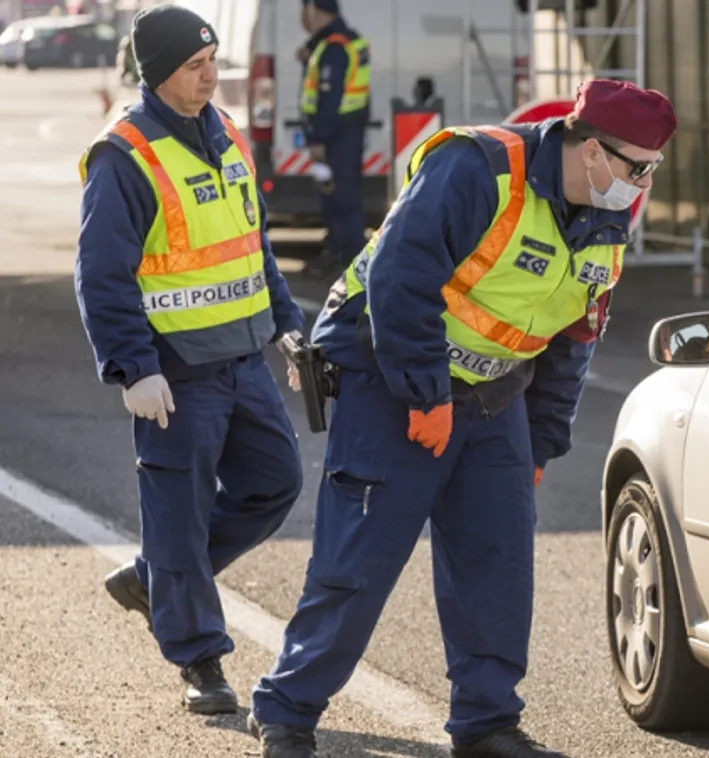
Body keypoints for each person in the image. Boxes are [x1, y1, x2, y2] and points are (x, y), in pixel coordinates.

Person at [247, 78, 676, 758]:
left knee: (497, 564)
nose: (643, 184)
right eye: (638, 168)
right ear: (592, 150)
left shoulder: (603, 217)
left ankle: (486, 725)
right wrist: (425, 397)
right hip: (388, 381)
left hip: (493, 396)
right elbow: (399, 278)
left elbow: (573, 337)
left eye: (653, 169)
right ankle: (287, 709)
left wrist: (539, 441)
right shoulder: (477, 169)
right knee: (358, 561)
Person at [74, 4, 307, 716]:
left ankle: (157, 580)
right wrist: (131, 366)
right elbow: (101, 272)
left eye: (213, 63)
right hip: (174, 373)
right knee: (179, 515)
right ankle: (201, 661)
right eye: (195, 67)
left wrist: (288, 326)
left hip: (241, 358)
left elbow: (251, 241)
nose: (212, 77)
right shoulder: (126, 156)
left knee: (275, 483)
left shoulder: (226, 131)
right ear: (158, 73)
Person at [296, 0, 371, 278]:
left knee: (342, 200)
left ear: (314, 9)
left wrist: (318, 139)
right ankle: (339, 253)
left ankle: (351, 262)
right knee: (337, 198)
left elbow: (329, 98)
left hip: (336, 136)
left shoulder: (335, 48)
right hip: (348, 132)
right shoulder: (347, 41)